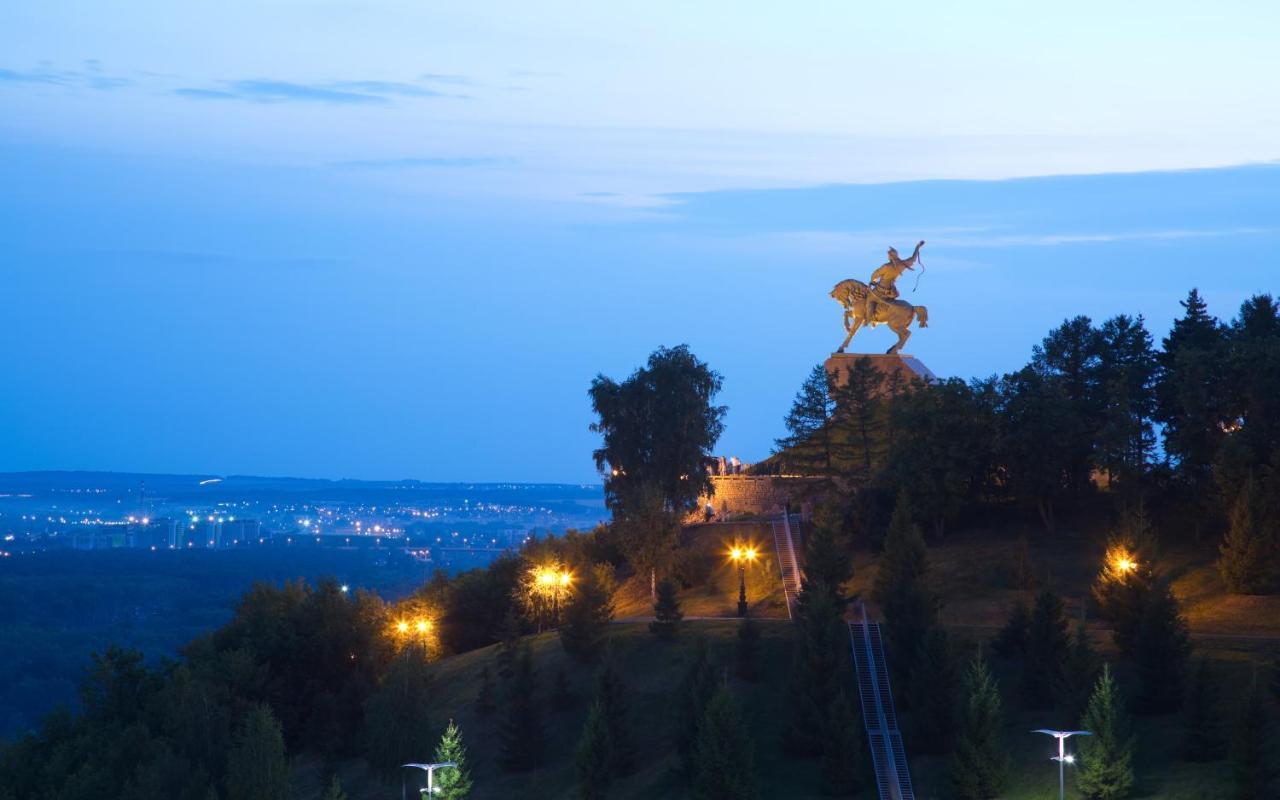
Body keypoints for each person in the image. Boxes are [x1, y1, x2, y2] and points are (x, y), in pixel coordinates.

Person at [865, 240, 924, 321]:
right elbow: (913, 259)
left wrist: (872, 281)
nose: (887, 257)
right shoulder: (903, 265)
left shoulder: (886, 266)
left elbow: (875, 274)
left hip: (880, 291)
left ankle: (868, 319)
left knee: (869, 300)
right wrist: (918, 247)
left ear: (890, 256)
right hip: (891, 292)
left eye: (888, 255)